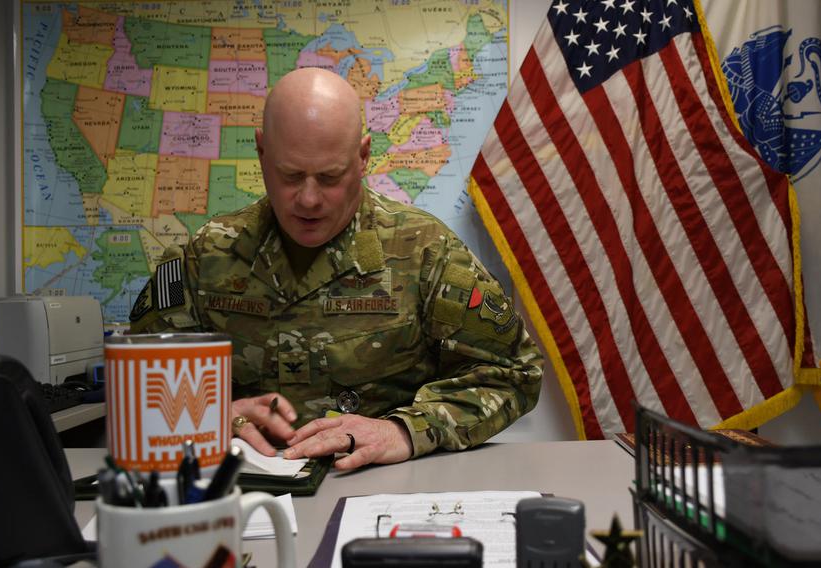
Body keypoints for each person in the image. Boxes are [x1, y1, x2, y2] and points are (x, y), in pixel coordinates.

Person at [129, 67, 543, 470]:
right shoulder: (208, 255)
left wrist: (404, 431)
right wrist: (213, 415)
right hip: (245, 493)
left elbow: (513, 373)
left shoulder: (424, 252)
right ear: (260, 153)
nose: (308, 199)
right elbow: (141, 390)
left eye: (329, 177)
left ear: (362, 157)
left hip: (384, 488)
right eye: (290, 175)